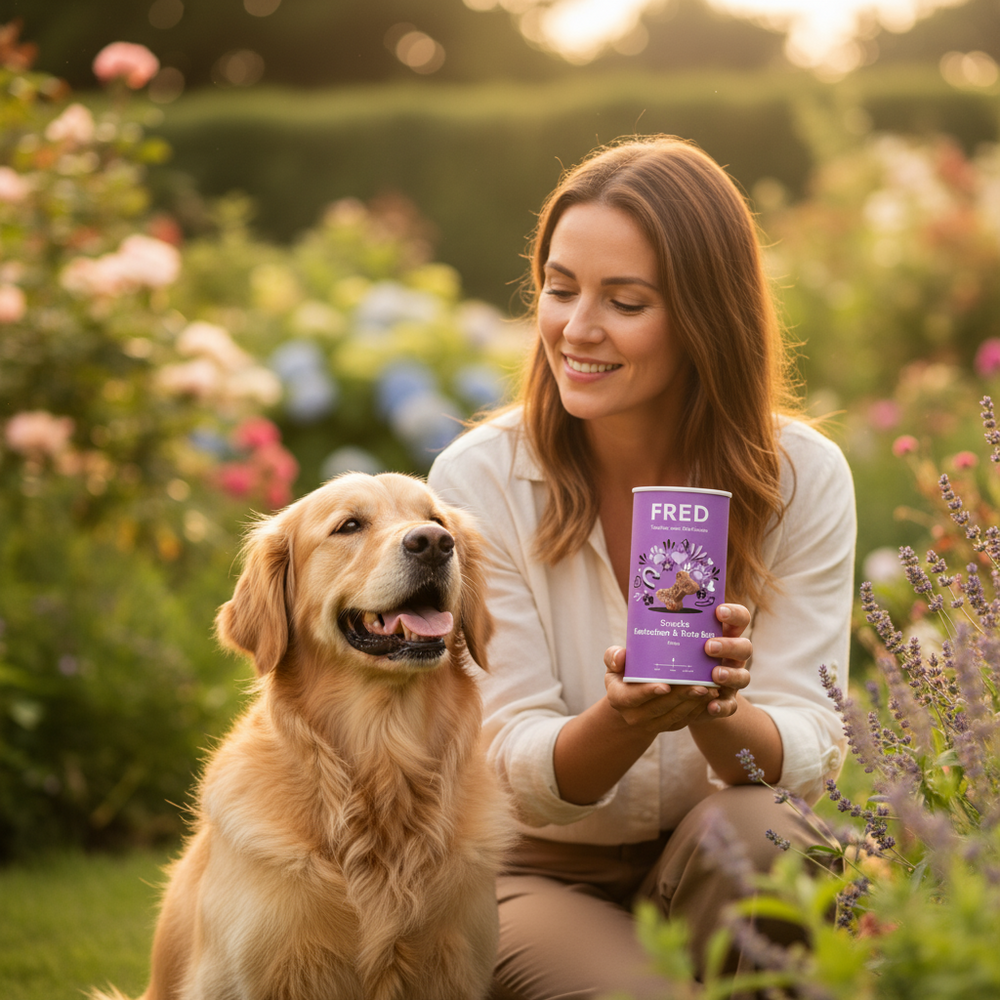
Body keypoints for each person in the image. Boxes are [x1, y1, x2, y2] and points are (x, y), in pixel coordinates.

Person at [427, 135, 856, 999]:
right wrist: (623, 721)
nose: (576, 329)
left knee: (776, 831)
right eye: (558, 290)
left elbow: (814, 745)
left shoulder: (800, 476)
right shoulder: (479, 482)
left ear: (705, 316)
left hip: (718, 847)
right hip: (535, 872)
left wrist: (719, 711)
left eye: (624, 301)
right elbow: (508, 764)